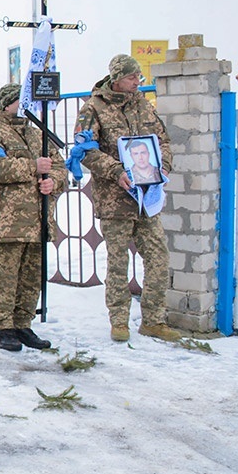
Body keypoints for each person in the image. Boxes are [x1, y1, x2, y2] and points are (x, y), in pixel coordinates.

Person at [74, 53, 181, 343]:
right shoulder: (93, 109)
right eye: (133, 78)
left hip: (147, 199)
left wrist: (163, 167)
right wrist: (115, 170)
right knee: (118, 263)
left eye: (139, 78)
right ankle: (119, 321)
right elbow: (85, 150)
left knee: (159, 257)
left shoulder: (142, 106)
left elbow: (163, 141)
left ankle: (154, 320)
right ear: (117, 79)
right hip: (115, 199)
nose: (138, 82)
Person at [0, 83, 66, 352]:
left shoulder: (39, 135)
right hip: (6, 222)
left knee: (31, 275)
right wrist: (32, 167)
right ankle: (4, 327)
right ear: (7, 104)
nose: (26, 108)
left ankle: (23, 323)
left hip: (37, 220)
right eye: (20, 102)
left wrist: (54, 182)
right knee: (6, 275)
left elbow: (58, 167)